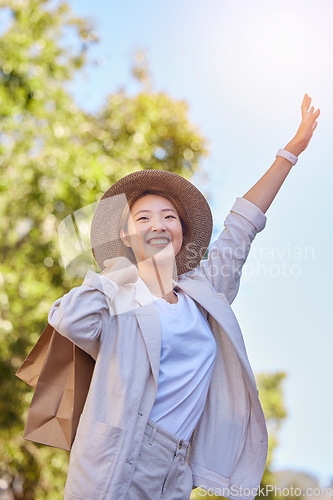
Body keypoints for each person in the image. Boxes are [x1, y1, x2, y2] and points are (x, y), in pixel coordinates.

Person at [46, 94, 319, 500]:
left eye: (169, 216)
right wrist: (124, 270)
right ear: (125, 235)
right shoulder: (117, 297)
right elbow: (69, 320)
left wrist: (290, 152)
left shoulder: (204, 293)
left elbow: (242, 227)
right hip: (115, 457)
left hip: (175, 466)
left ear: (182, 232)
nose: (158, 224)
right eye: (143, 218)